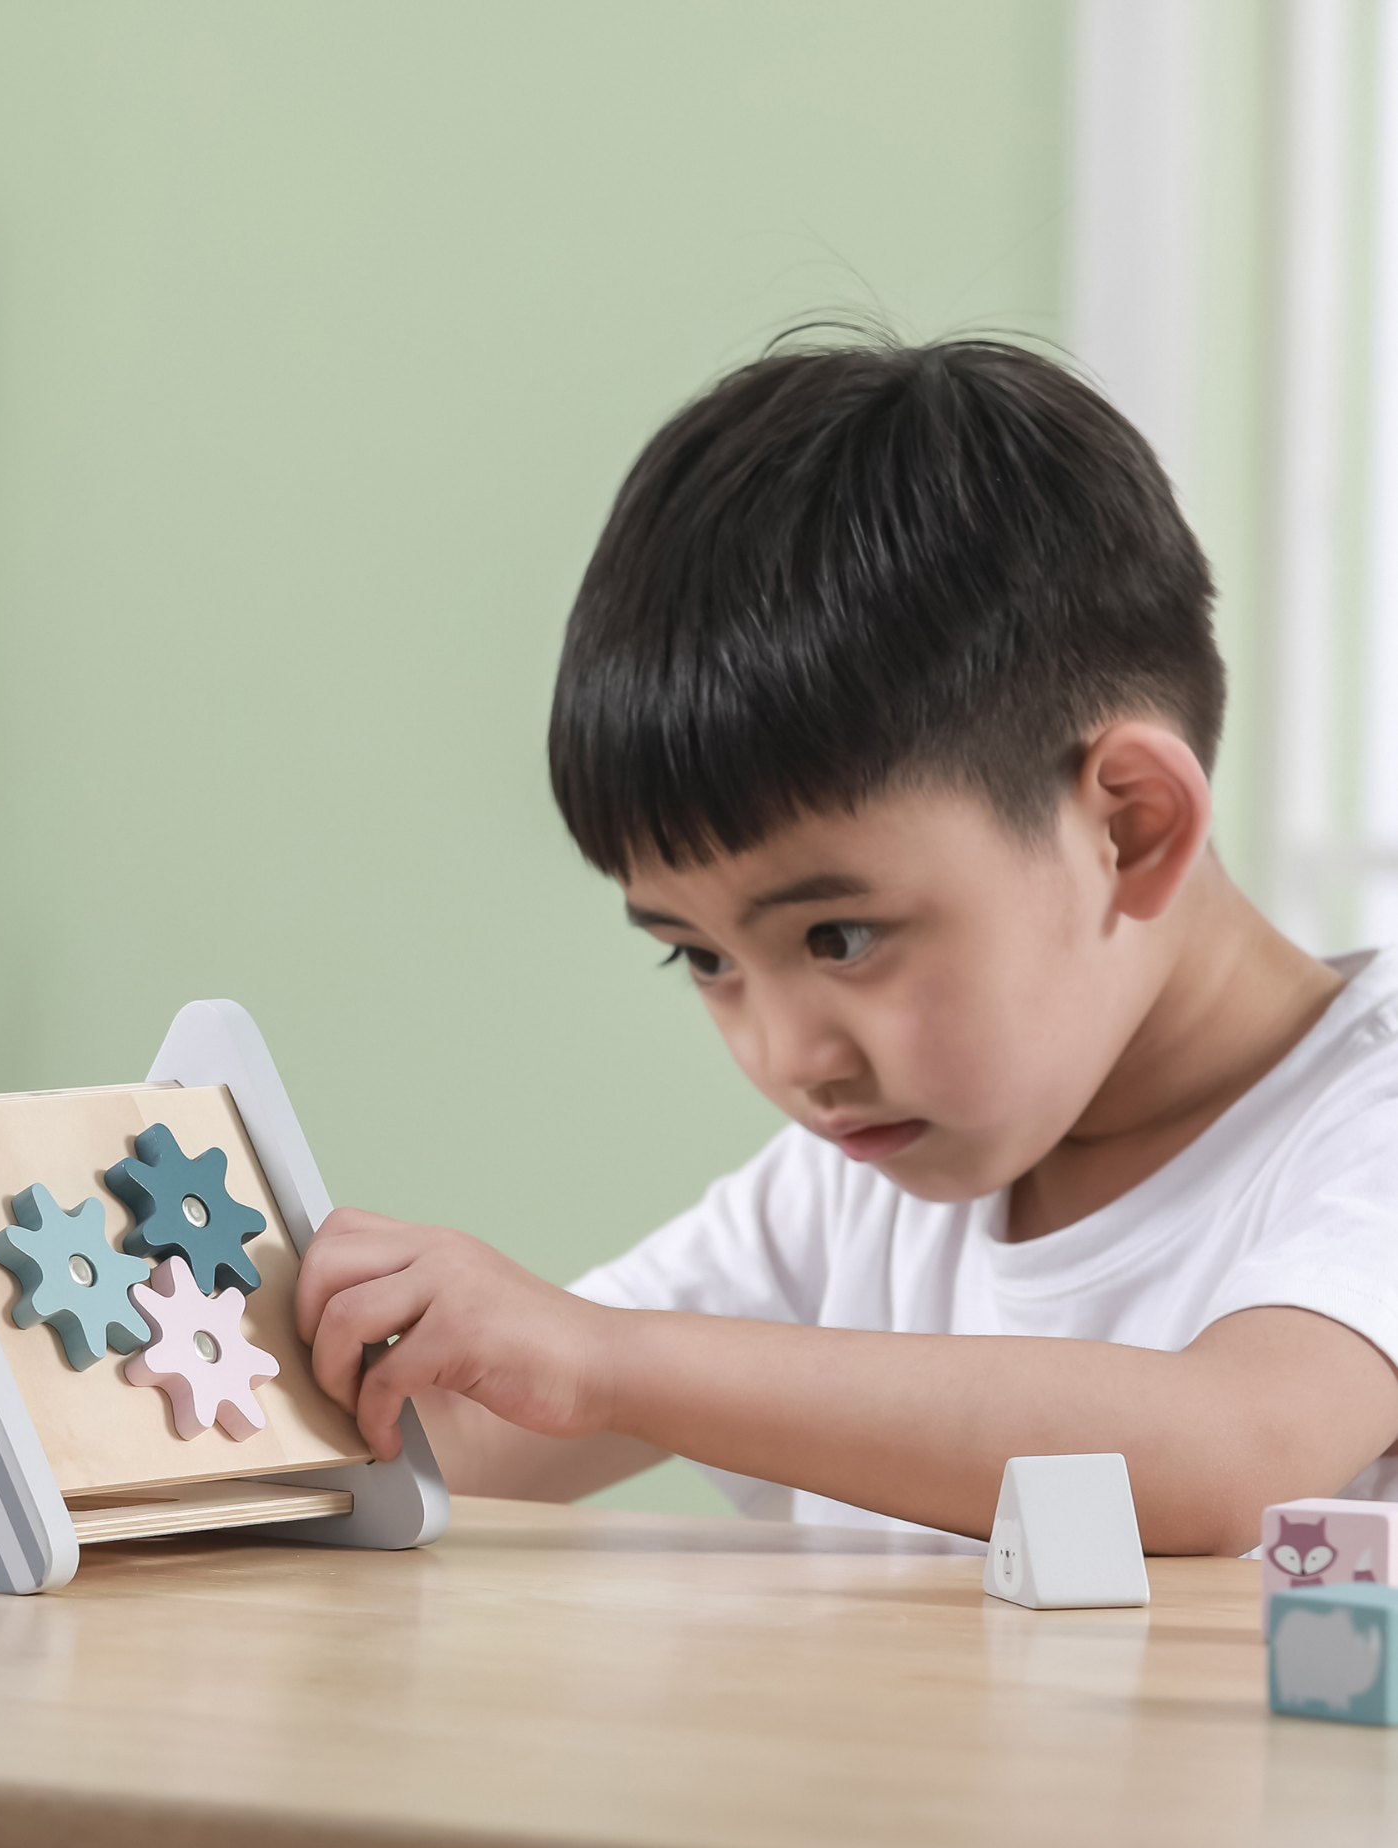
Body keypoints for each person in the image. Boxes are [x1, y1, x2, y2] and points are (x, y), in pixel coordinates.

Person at [294, 336, 1398, 1555]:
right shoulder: (855, 1181)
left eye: (841, 934)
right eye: (700, 957)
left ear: (1129, 829)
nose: (786, 1053)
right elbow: (481, 1428)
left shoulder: (1367, 1122)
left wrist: (605, 1357)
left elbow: (1230, 1451)